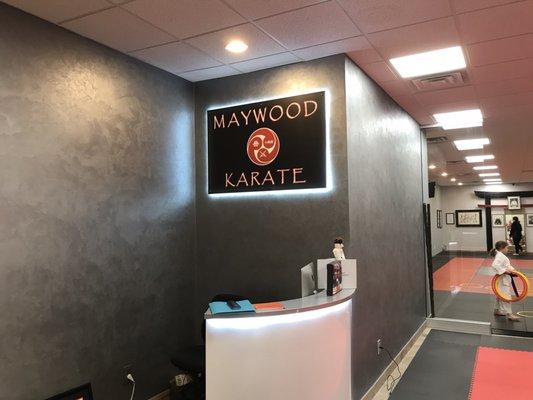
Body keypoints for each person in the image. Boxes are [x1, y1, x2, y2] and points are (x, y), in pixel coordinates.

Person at [489, 241, 520, 321]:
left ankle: (496, 310)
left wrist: (513, 270)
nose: (507, 249)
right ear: (502, 248)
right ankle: (509, 314)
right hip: (503, 279)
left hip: (502, 279)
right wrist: (505, 271)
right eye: (506, 248)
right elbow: (495, 265)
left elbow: (506, 265)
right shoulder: (501, 256)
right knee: (506, 296)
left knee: (499, 295)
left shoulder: (500, 255)